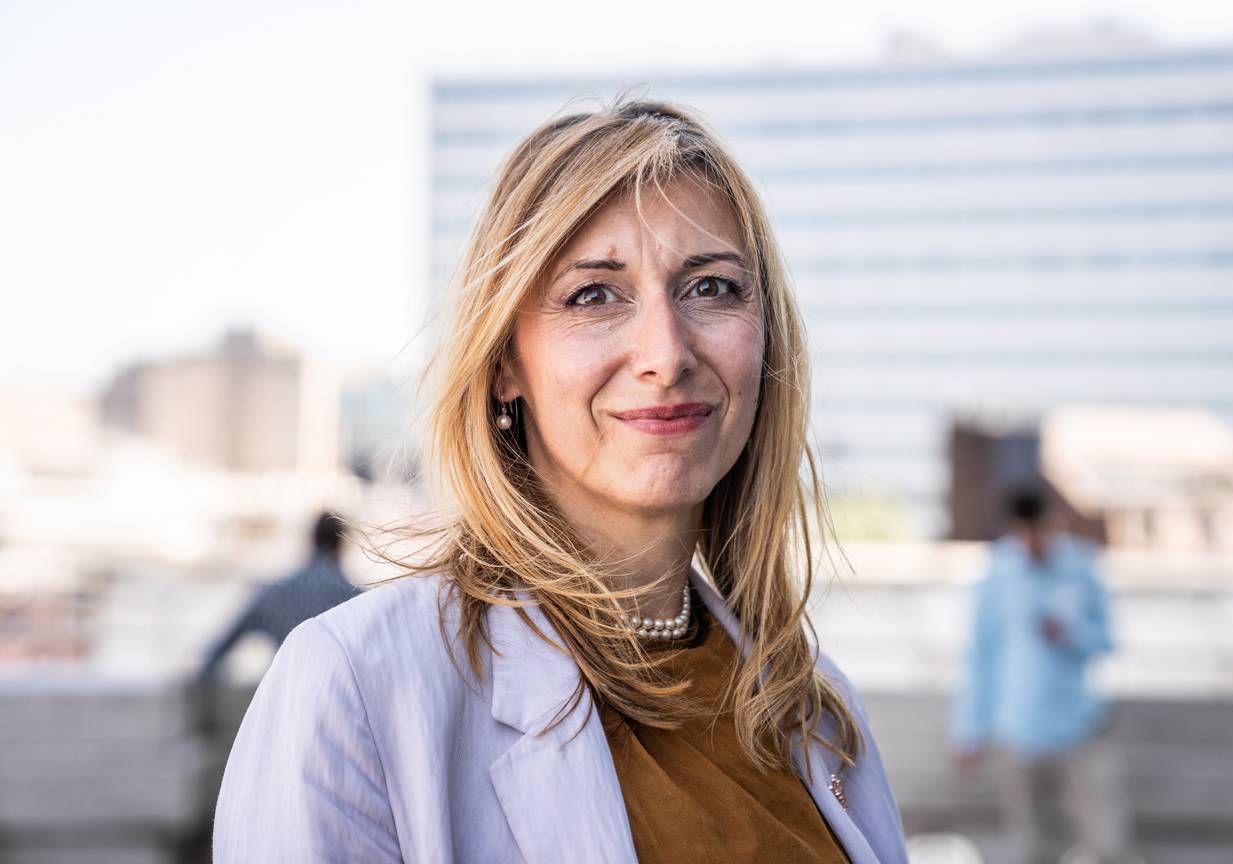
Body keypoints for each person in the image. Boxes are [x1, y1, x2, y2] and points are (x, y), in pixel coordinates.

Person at [213, 100, 909, 863]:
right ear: (505, 363)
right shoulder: (358, 687)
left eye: (711, 287)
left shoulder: (812, 708)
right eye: (595, 295)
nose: (666, 354)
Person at [950, 487, 1136, 864]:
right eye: (1024, 533)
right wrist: (968, 730)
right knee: (1029, 844)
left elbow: (1108, 641)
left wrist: (1071, 633)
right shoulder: (995, 576)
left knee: (1107, 840)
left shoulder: (1083, 567)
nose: (1033, 542)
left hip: (1079, 727)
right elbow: (979, 657)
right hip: (1015, 731)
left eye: (1039, 531)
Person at [196, 511, 359, 682]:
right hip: (337, 689)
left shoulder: (274, 592)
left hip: (290, 689)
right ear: (342, 544)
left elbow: (220, 647)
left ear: (311, 541)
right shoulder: (352, 597)